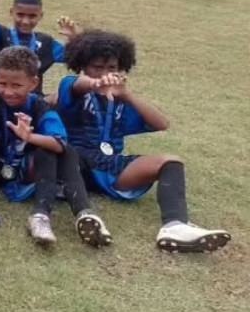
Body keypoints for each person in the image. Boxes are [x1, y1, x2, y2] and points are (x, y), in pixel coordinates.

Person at [56, 30, 229, 253]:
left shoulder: (120, 100)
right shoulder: (72, 86)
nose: (105, 74)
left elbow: (162, 124)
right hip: (78, 162)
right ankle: (86, 214)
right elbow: (77, 84)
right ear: (83, 66)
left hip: (112, 166)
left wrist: (127, 96)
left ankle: (175, 226)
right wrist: (93, 84)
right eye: (97, 67)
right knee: (67, 152)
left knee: (170, 161)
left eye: (112, 68)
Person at [0, 46, 110, 248]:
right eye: (2, 84)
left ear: (33, 83)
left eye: (16, 85)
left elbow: (60, 143)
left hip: (27, 172)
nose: (8, 91)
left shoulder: (39, 106)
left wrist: (30, 137)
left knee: (62, 150)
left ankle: (46, 215)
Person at [0, 0, 80, 93]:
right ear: (11, 12)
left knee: (56, 99)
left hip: (31, 103)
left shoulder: (46, 43)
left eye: (32, 16)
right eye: (20, 15)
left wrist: (76, 38)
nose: (25, 21)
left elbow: (78, 57)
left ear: (40, 16)